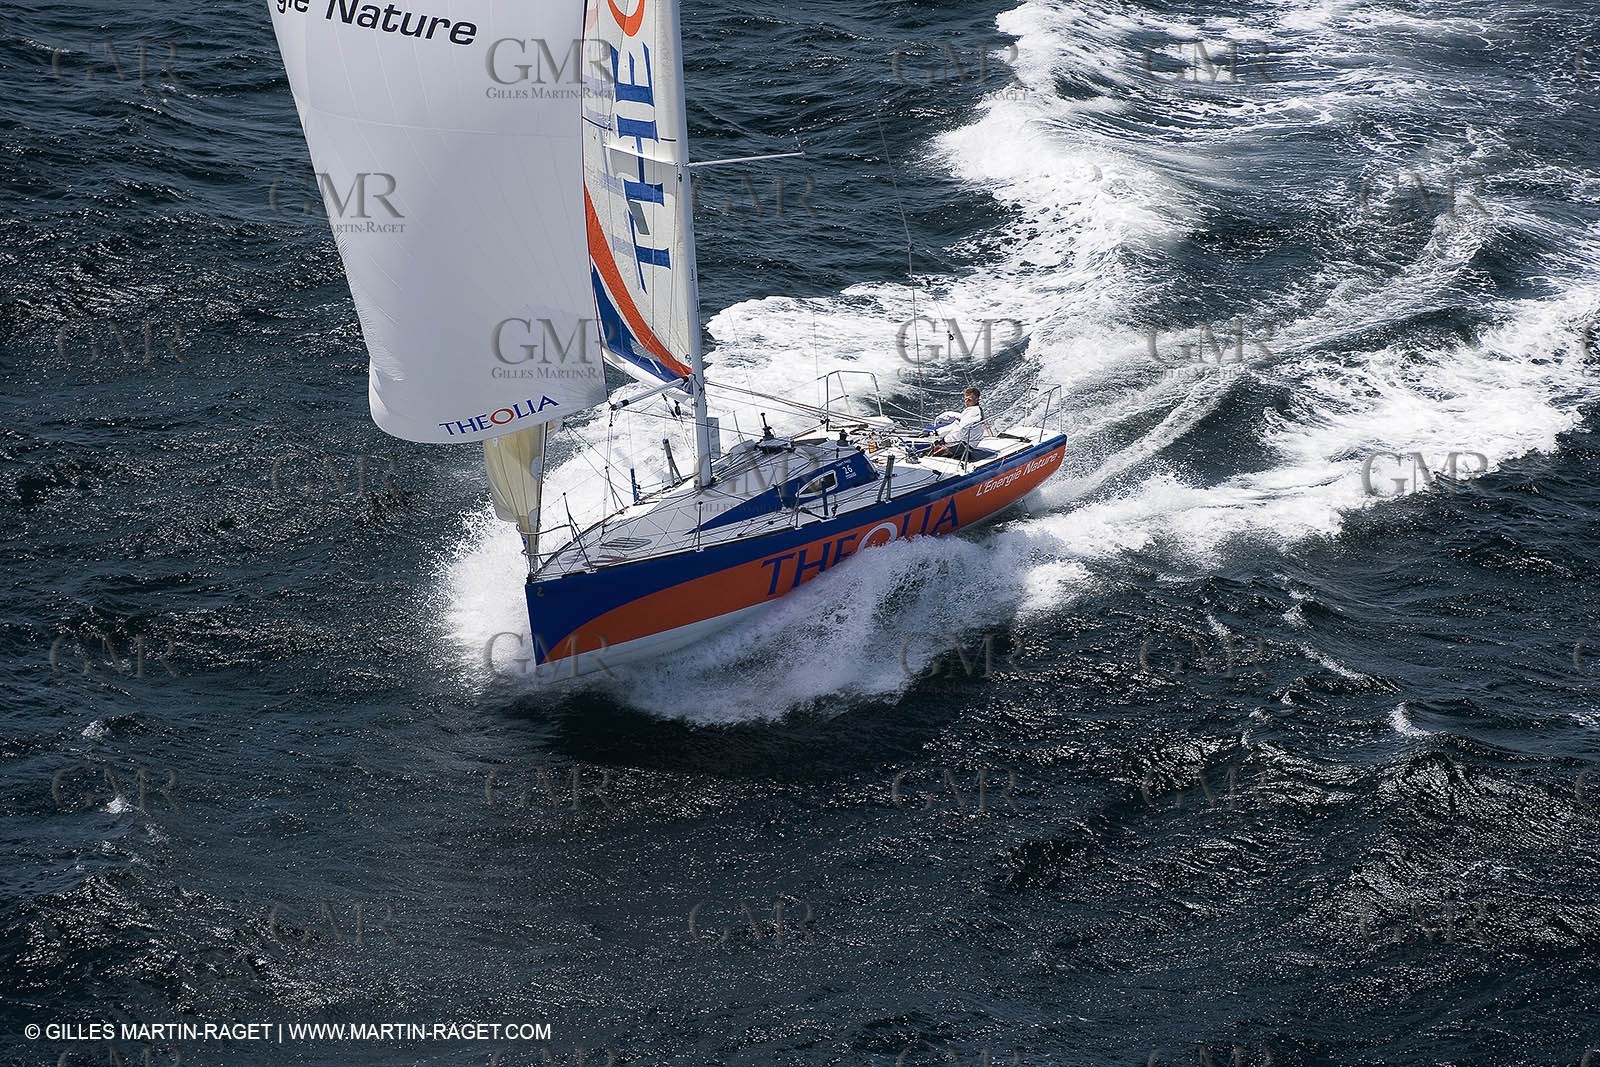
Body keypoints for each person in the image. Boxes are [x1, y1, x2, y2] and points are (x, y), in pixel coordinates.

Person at [929, 387, 985, 459]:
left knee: (932, 455)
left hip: (963, 447)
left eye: (969, 400)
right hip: (963, 444)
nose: (966, 402)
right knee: (933, 449)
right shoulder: (972, 410)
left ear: (977, 399)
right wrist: (936, 432)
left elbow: (961, 430)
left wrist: (945, 440)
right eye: (965, 399)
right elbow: (957, 425)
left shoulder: (974, 412)